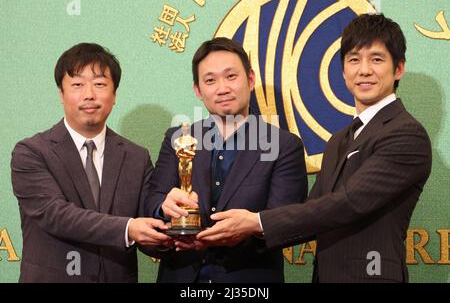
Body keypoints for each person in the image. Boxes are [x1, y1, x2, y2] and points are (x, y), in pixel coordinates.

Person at [197, 14, 433, 283]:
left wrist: (257, 222)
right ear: (343, 70)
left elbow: (349, 203)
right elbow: (313, 209)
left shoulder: (405, 134)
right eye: (354, 60)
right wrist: (248, 229)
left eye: (376, 59)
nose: (364, 70)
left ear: (399, 68)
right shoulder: (338, 140)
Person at [147, 37, 308, 283]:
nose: (222, 88)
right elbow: (151, 202)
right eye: (210, 80)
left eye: (231, 76)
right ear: (198, 91)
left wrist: (243, 231)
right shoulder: (179, 138)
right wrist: (164, 208)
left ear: (250, 80)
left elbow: (285, 225)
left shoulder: (284, 146)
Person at [10, 43, 172, 282]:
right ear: (61, 94)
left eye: (99, 84)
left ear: (114, 94)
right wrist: (128, 229)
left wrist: (171, 231)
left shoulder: (136, 157)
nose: (89, 94)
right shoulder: (31, 152)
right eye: (77, 85)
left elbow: (146, 230)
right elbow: (56, 215)